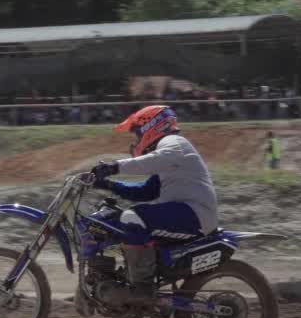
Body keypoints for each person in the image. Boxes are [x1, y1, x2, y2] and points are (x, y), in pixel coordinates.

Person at [91, 106, 217, 307]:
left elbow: (154, 160)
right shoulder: (170, 155)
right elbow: (146, 191)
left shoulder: (173, 142)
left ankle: (142, 288)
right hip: (188, 212)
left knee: (132, 217)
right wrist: (107, 185)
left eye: (136, 133)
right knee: (123, 218)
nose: (135, 140)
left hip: (194, 214)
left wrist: (114, 167)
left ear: (150, 126)